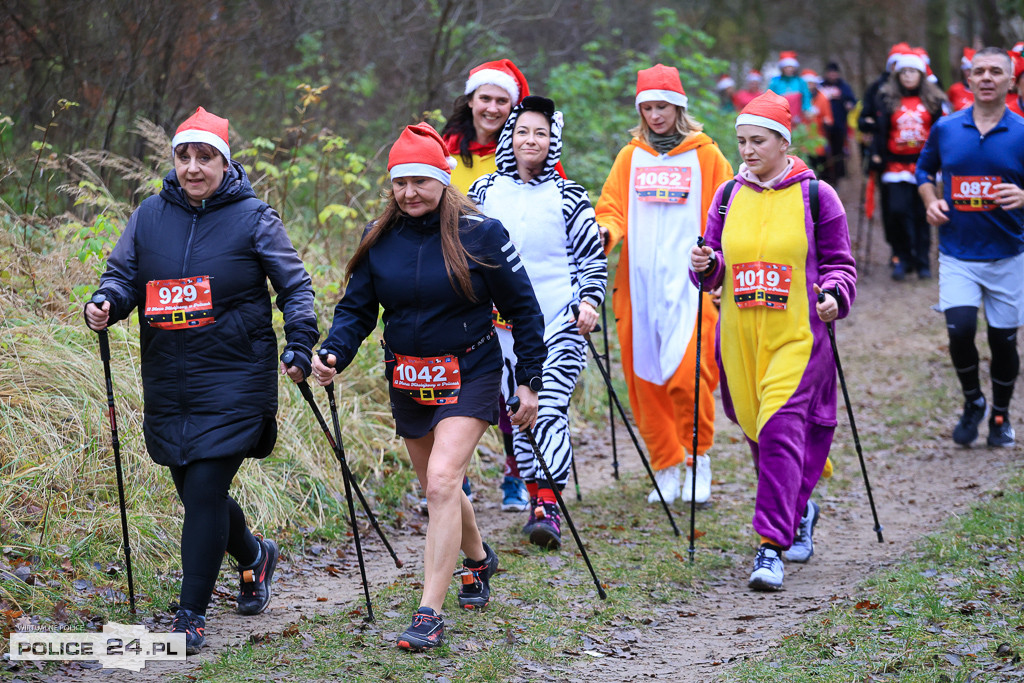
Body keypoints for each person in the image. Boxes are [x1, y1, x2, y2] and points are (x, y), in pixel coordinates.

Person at [83, 107, 318, 653]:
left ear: (224, 163)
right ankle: (254, 555)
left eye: (205, 157)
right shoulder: (150, 215)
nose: (193, 167)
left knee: (207, 488)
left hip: (236, 377)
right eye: (184, 156)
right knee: (194, 493)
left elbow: (295, 287)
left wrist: (301, 343)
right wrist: (106, 301)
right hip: (169, 379)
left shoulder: (255, 218)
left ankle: (190, 614)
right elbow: (123, 276)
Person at [312, 123, 546, 650]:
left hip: (471, 370)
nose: (410, 192)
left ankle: (428, 612)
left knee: (442, 480)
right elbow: (356, 310)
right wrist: (333, 353)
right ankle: (479, 560)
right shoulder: (379, 236)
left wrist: (529, 380)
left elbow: (524, 310)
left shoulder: (481, 234)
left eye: (420, 181)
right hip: (409, 377)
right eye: (401, 183)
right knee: (441, 487)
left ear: (443, 180)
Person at [689, 90, 857, 591]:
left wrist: (835, 296)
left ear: (784, 143)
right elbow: (714, 267)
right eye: (742, 141)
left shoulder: (816, 196)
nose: (748, 150)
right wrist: (705, 265)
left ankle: (770, 546)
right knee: (760, 434)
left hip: (798, 337)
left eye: (758, 141)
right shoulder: (728, 195)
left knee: (780, 429)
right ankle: (799, 510)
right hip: (739, 338)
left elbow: (840, 266)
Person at [468, 95, 607, 549]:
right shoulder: (483, 192)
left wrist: (589, 301)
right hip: (498, 328)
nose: (532, 140)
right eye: (523, 131)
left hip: (560, 322)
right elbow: (462, 254)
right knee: (521, 413)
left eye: (541, 134)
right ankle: (536, 498)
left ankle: (548, 504)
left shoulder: (571, 196)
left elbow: (592, 259)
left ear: (554, 141)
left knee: (547, 408)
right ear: (510, 137)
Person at [595, 64, 733, 506]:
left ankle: (698, 460)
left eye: (663, 107)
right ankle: (666, 464)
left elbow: (727, 212)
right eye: (648, 108)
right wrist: (604, 232)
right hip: (638, 288)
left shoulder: (707, 155)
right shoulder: (630, 157)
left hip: (690, 285)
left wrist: (720, 267)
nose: (656, 116)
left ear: (679, 108)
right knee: (645, 379)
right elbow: (611, 207)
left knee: (689, 376)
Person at [440, 58, 541, 513]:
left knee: (510, 380)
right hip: (450, 278)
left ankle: (516, 473)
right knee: (456, 381)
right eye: (486, 98)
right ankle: (452, 479)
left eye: (503, 100)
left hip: (506, 278)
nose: (493, 108)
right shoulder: (444, 149)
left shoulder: (526, 148)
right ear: (471, 100)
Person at [916, 47, 1024, 449]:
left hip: (1008, 253)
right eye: (979, 71)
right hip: (957, 252)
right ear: (969, 79)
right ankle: (973, 401)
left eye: (996, 71)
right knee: (960, 330)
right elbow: (923, 170)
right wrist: (931, 200)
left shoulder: (1021, 130)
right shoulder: (946, 128)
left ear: (1010, 81)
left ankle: (1000, 416)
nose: (987, 78)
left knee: (1003, 341)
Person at [869, 49, 948, 281]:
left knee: (923, 213)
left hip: (924, 165)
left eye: (913, 71)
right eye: (904, 72)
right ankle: (902, 257)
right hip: (895, 167)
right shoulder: (887, 99)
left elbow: (941, 131)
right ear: (897, 76)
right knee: (897, 211)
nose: (908, 76)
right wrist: (875, 155)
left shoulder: (933, 100)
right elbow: (880, 131)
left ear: (921, 75)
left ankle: (922, 261)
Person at [819, 61, 857, 183]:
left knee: (839, 150)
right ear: (826, 74)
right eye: (830, 73)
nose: (832, 75)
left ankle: (838, 176)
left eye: (834, 73)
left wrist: (850, 105)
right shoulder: (820, 86)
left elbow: (852, 101)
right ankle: (824, 175)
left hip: (840, 124)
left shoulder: (844, 86)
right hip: (822, 125)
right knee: (823, 150)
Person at [801, 69, 834, 175]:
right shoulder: (799, 97)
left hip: (818, 138)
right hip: (802, 138)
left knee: (819, 166)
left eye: (811, 83)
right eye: (807, 83)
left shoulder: (822, 97)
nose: (809, 86)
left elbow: (828, 117)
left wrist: (826, 122)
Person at [768, 51, 813, 119]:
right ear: (782, 68)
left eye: (791, 67)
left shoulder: (800, 81)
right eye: (786, 67)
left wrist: (807, 109)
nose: (789, 69)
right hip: (779, 116)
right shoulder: (776, 82)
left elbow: (806, 97)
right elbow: (769, 98)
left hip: (797, 118)